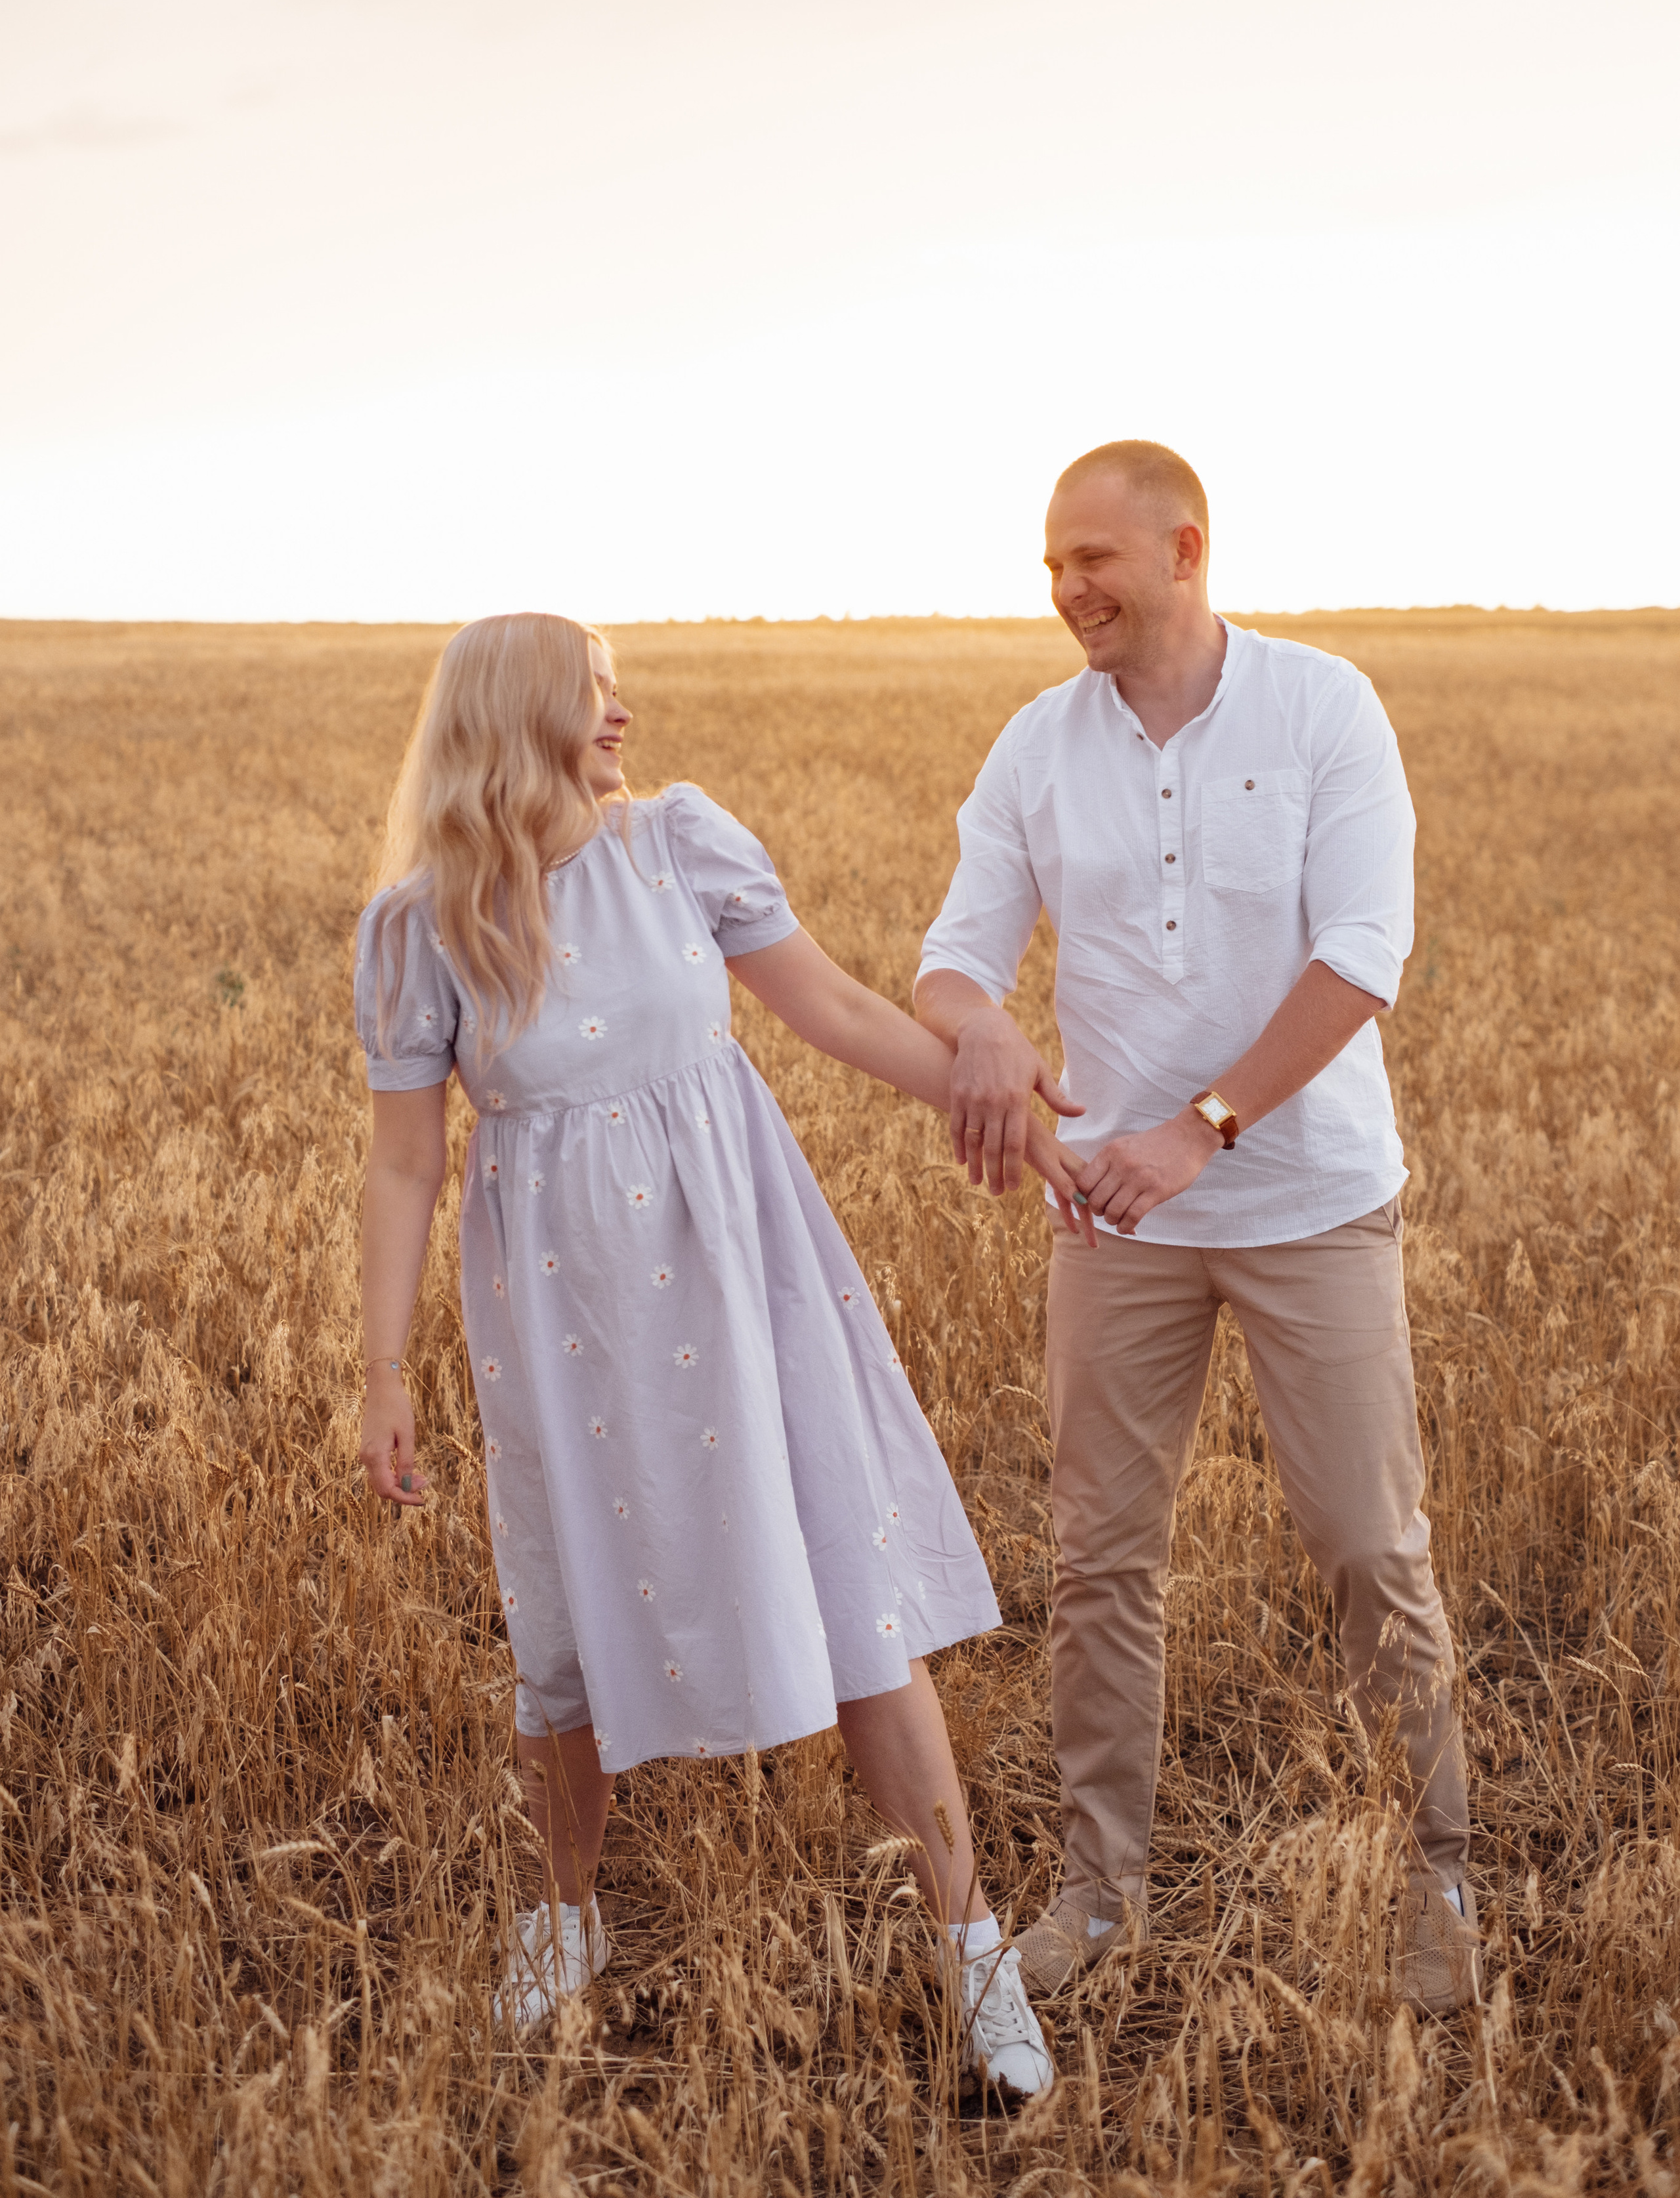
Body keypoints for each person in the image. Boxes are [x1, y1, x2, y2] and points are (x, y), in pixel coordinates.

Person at [352, 610, 1062, 2092]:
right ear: (518, 716)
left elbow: (838, 1009)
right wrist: (381, 1372)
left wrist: (997, 1103)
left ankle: (971, 1947)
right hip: (567, 1321)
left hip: (747, 1283)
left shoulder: (677, 843)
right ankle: (565, 1923)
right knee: (564, 1635)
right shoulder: (424, 924)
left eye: (617, 692)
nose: (625, 715)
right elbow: (405, 1167)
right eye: (593, 696)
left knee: (852, 1594)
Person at [913, 440, 1480, 2017]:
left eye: (1090, 560)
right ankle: (1098, 1893)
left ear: (1184, 547)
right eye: (1046, 567)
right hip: (1112, 1225)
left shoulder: (1319, 709)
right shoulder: (1036, 747)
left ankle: (1429, 1870)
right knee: (1099, 1559)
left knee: (1371, 1546)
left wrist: (1196, 1131)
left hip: (1307, 1201)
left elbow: (1363, 954)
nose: (1065, 592)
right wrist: (977, 1033)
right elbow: (954, 953)